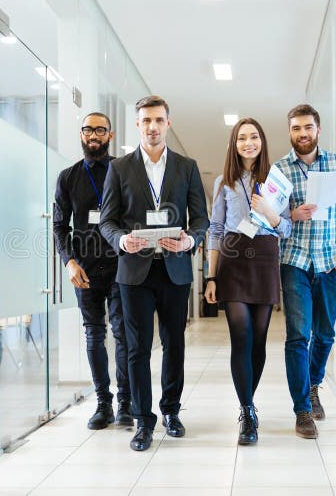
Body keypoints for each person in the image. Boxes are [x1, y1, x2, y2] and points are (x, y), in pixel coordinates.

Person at [99, 95, 209, 451]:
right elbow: (107, 221)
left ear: (168, 123)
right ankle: (143, 422)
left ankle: (171, 412)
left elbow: (201, 220)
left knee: (174, 344)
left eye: (159, 120)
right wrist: (122, 240)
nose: (152, 127)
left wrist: (191, 241)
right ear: (137, 124)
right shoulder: (120, 169)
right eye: (146, 120)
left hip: (175, 270)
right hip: (135, 273)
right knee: (137, 348)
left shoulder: (187, 167)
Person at [204, 117, 291, 445]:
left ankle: (248, 401)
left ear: (262, 141)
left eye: (254, 137)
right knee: (240, 332)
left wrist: (270, 213)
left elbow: (286, 229)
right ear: (234, 144)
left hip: (265, 257)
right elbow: (215, 228)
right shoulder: (224, 182)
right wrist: (211, 276)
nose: (248, 143)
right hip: (233, 256)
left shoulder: (276, 181)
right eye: (242, 138)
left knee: (259, 338)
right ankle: (247, 410)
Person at [274, 103, 336, 439]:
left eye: (307, 127)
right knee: (298, 336)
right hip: (294, 261)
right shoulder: (279, 170)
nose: (302, 134)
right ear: (290, 132)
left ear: (317, 130)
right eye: (296, 128)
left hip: (329, 261)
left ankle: (313, 384)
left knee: (325, 335)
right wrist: (291, 215)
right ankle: (302, 410)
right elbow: (268, 220)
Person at [53, 112, 132, 430]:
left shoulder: (124, 172)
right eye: (88, 129)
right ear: (81, 134)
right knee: (93, 335)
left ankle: (126, 401)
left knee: (123, 334)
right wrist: (68, 262)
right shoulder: (68, 177)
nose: (93, 135)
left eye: (100, 130)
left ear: (110, 136)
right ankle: (103, 402)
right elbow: (59, 226)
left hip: (119, 264)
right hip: (84, 269)